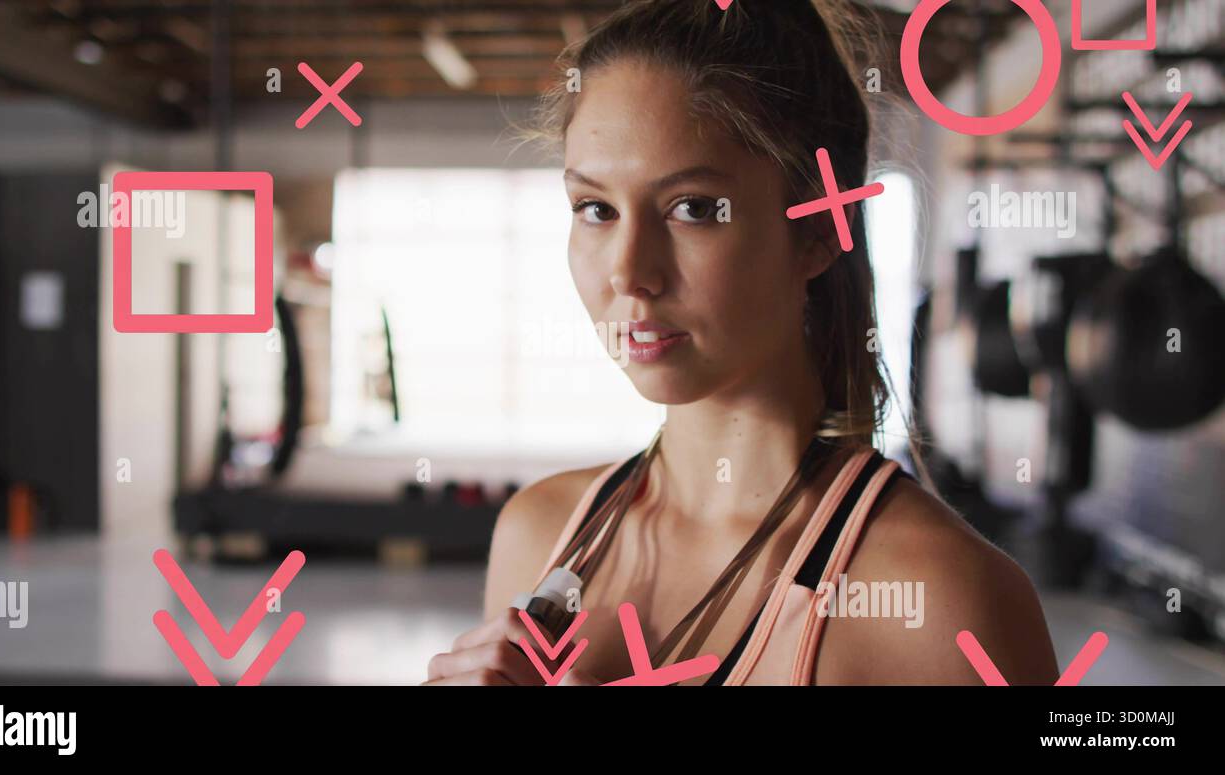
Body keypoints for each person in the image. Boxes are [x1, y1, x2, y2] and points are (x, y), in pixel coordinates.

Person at [424, 0, 1058, 686]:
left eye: (693, 208)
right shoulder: (537, 535)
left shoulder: (944, 603)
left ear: (820, 228)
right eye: (596, 209)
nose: (629, 272)